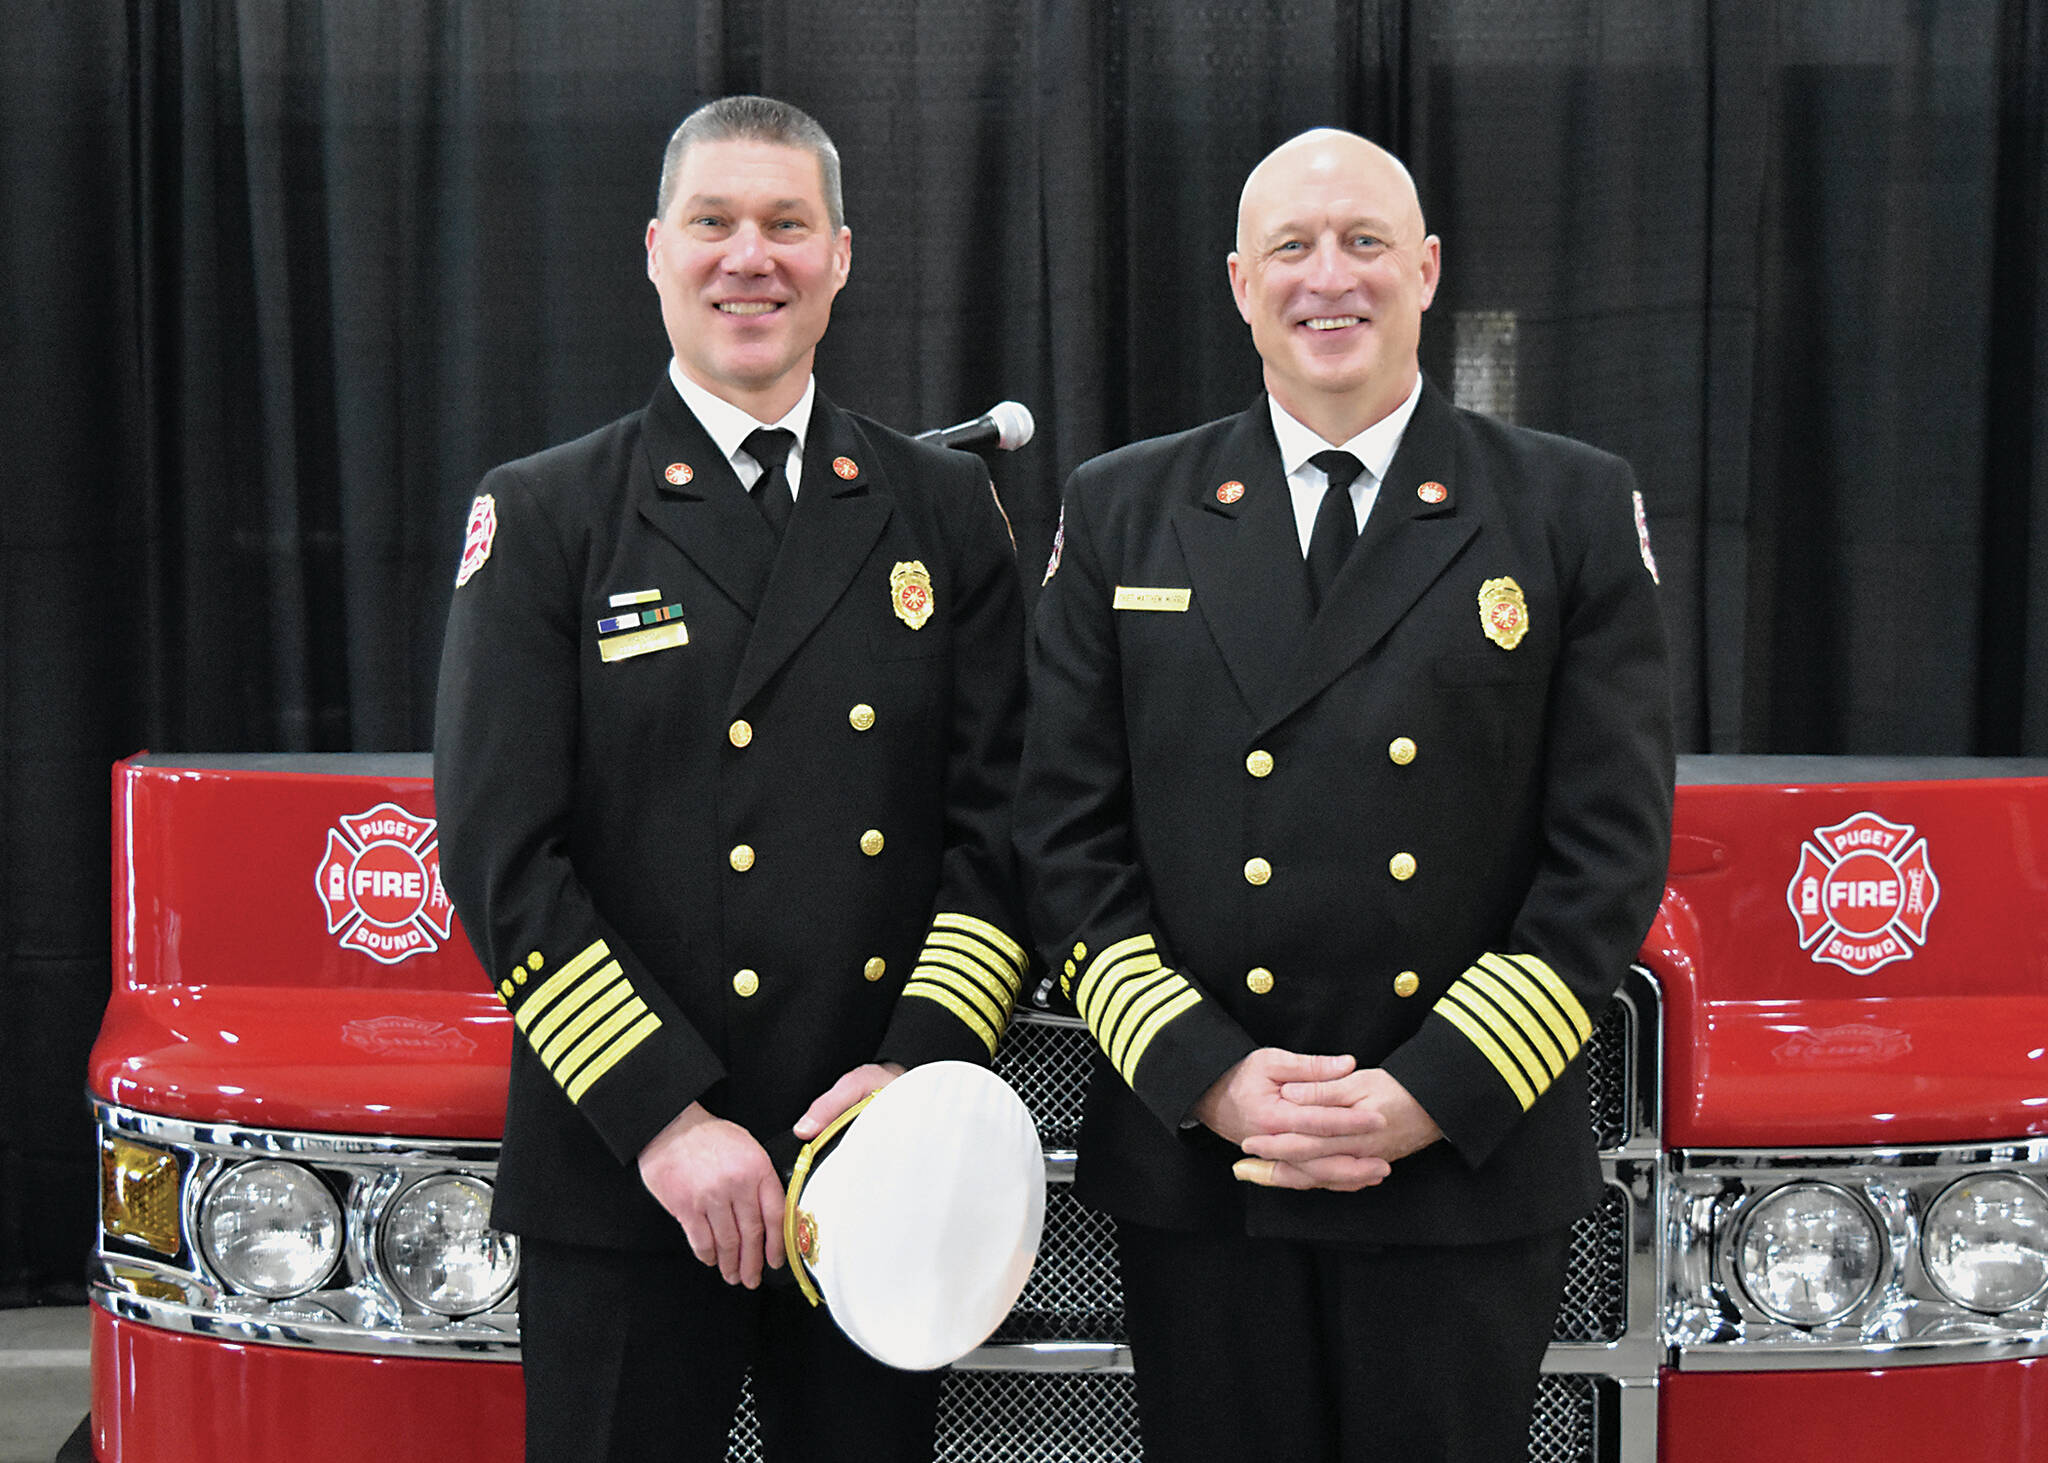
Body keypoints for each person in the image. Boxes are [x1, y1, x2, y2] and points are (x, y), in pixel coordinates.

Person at [1015, 128, 1674, 1462]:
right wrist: (1214, 1079)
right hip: (1209, 1158)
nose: (1332, 278)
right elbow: (1064, 836)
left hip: (1455, 1153)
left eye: (1366, 242)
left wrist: (1427, 1090)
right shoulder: (1124, 509)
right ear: (1239, 284)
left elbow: (1605, 852)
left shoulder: (1569, 508)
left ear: (1426, 271)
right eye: (1294, 249)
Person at [435, 95, 1029, 1463]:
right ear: (655, 249)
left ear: (841, 256)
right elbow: (502, 854)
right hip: (628, 1166)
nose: (747, 257)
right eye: (713, 222)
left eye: (785, 225)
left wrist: (916, 1069)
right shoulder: (548, 515)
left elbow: (1002, 829)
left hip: (873, 1165)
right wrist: (666, 1118)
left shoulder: (941, 513)